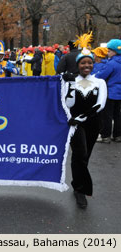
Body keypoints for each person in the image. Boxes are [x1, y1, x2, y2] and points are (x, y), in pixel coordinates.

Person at [63, 46, 107, 209]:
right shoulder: (71, 81)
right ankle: (80, 190)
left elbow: (100, 104)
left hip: (93, 123)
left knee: (85, 156)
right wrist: (68, 85)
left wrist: (82, 117)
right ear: (78, 64)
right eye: (83, 63)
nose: (86, 65)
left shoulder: (100, 82)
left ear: (93, 64)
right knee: (80, 153)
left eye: (89, 62)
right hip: (75, 125)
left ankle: (77, 181)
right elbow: (68, 104)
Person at [96, 39, 121, 143]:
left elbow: (101, 75)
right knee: (118, 115)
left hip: (110, 92)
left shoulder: (111, 63)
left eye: (109, 51)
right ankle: (118, 135)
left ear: (115, 51)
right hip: (120, 93)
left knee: (107, 115)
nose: (107, 53)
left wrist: (95, 76)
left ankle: (105, 136)